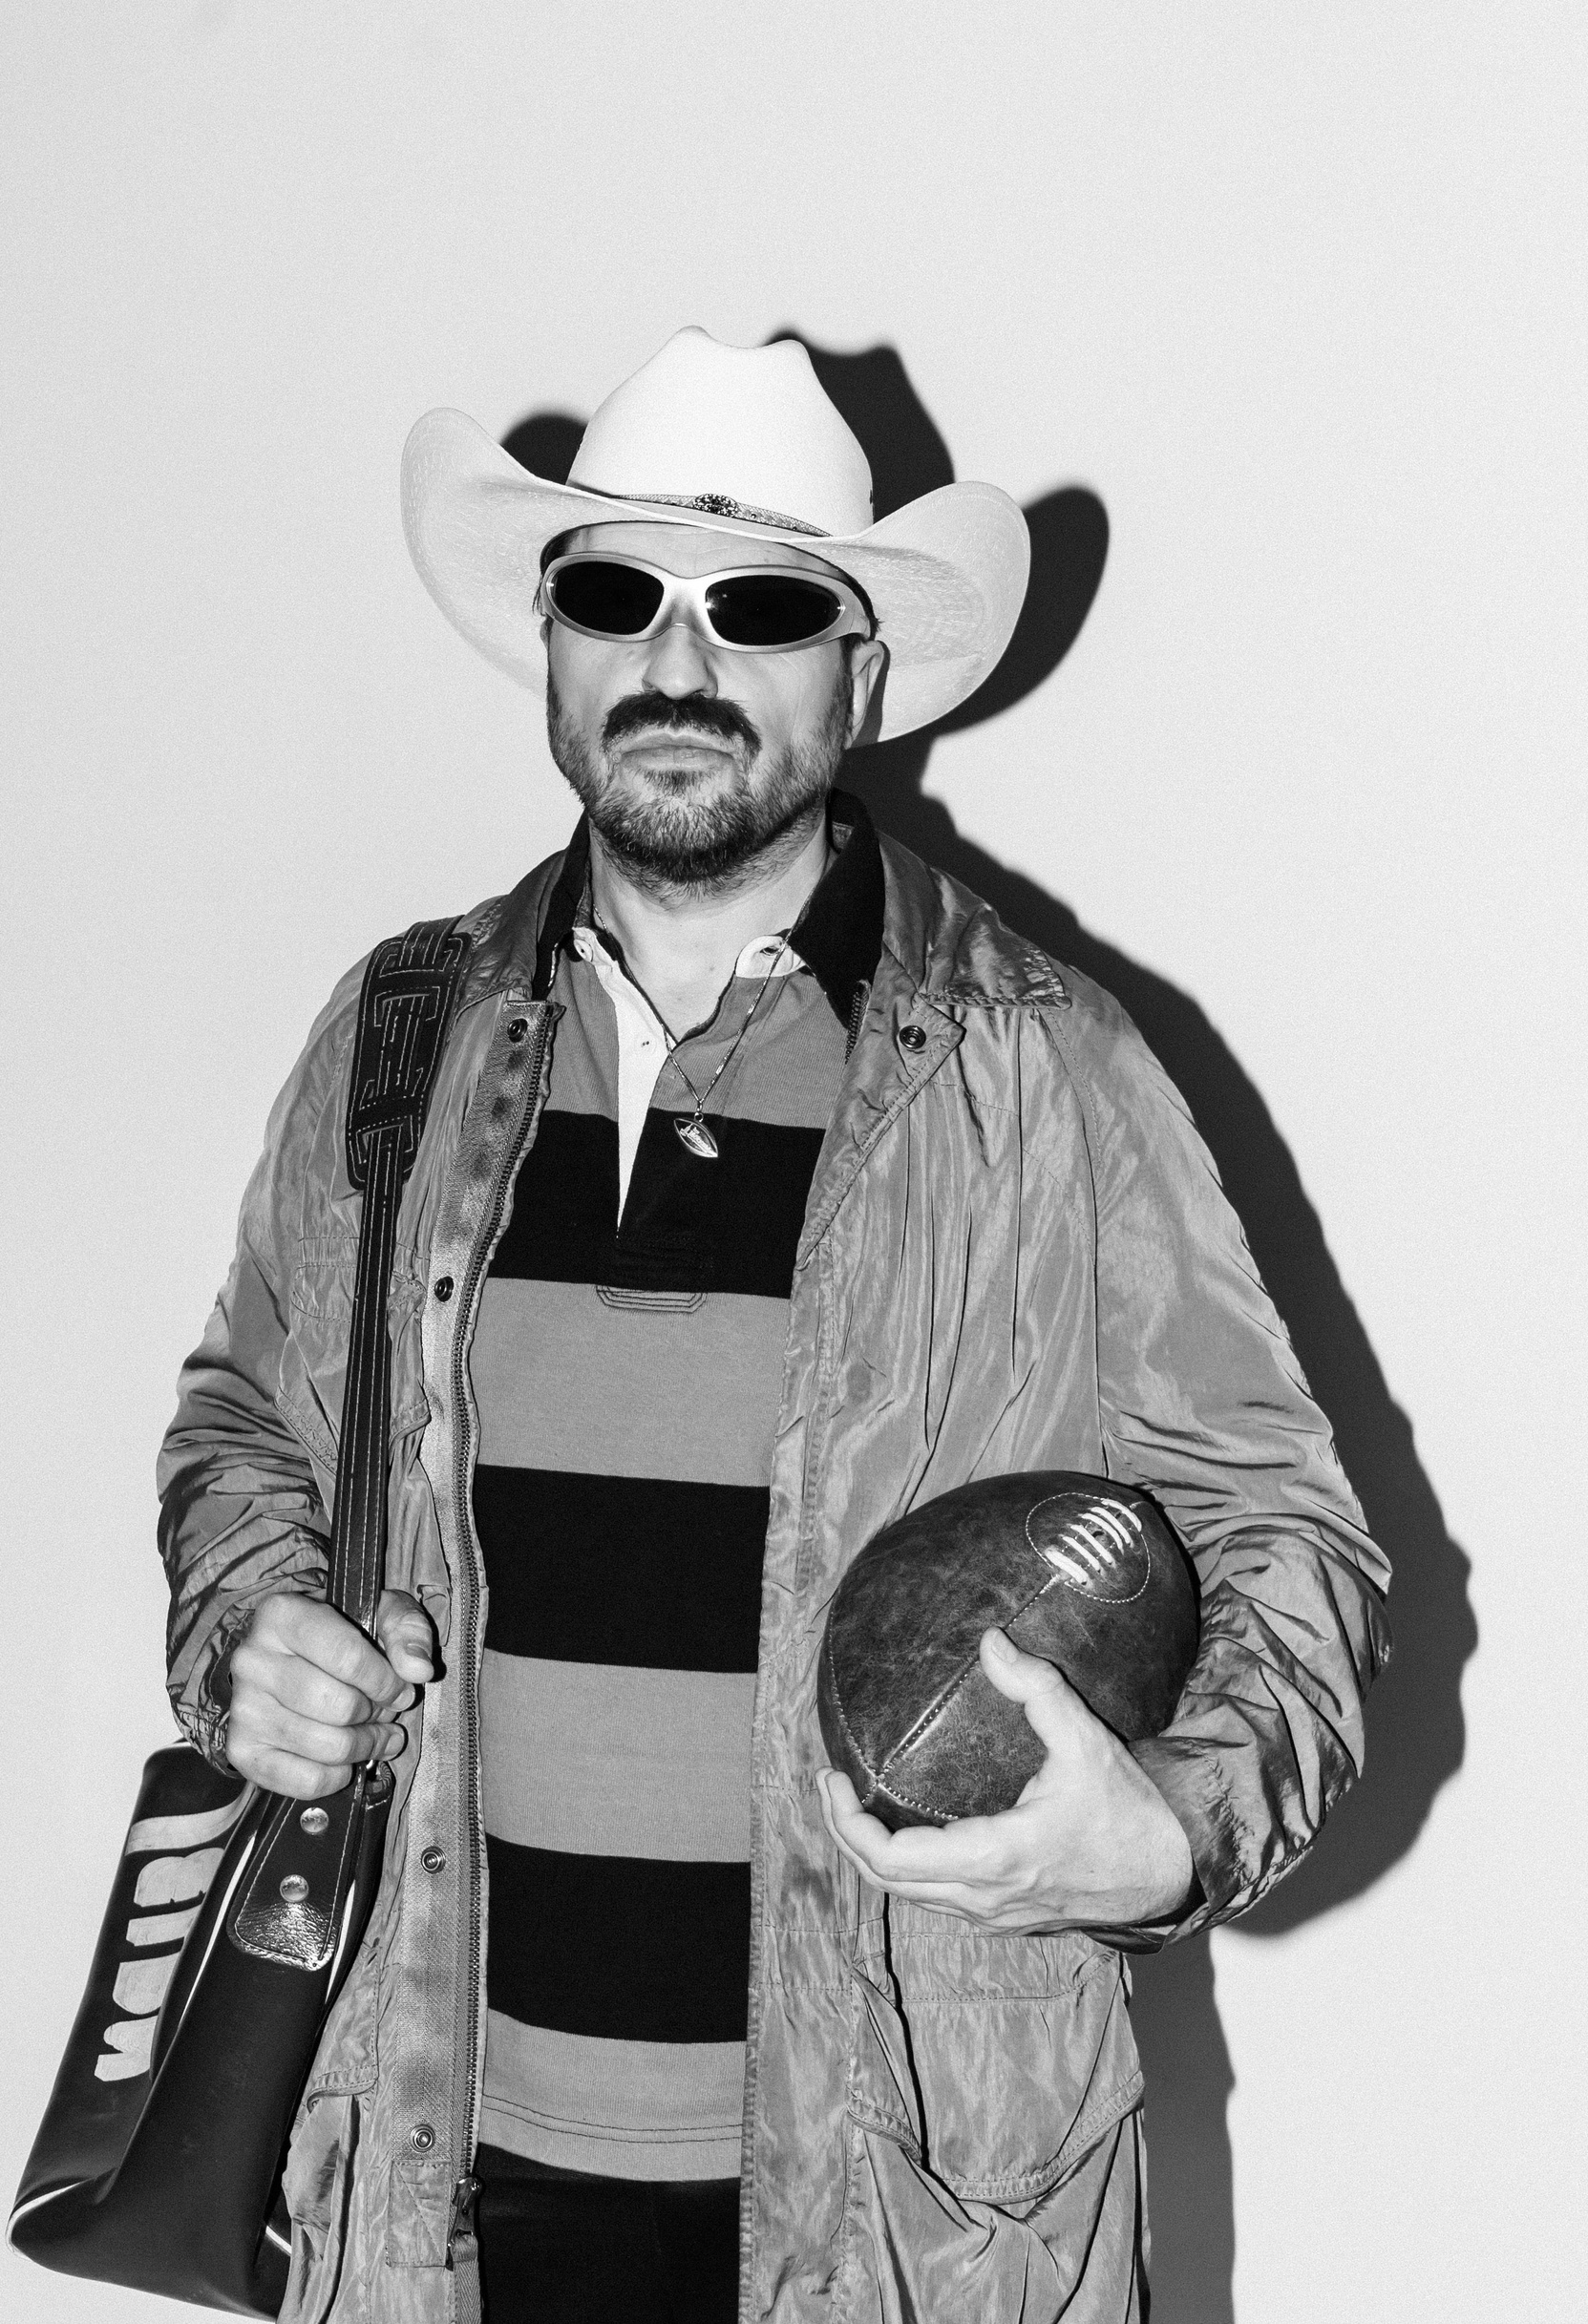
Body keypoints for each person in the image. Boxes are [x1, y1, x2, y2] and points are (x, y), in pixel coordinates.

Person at [159, 327, 1390, 2324]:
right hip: (430, 2191)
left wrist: (1167, 1829)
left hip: (907, 2216)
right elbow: (247, 1429)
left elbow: (1294, 1547)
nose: (680, 656)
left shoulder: (1044, 1072)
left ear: (862, 674)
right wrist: (252, 1629)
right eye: (617, 591)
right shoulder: (401, 1034)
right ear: (549, 640)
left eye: (762, 606)